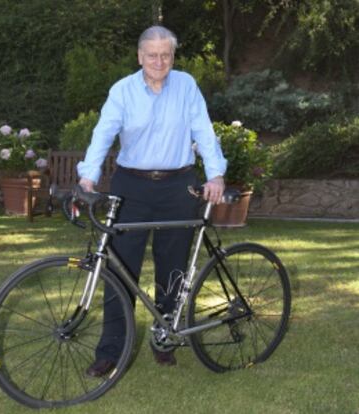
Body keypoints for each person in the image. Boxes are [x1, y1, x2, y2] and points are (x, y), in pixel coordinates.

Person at [77, 25, 227, 377]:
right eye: (151, 55)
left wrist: (215, 173)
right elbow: (103, 133)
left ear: (173, 56)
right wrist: (88, 174)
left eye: (166, 55)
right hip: (132, 186)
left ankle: (164, 338)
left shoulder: (187, 85)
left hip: (179, 186)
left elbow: (203, 130)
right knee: (119, 270)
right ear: (139, 56)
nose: (159, 61)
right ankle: (110, 351)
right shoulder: (123, 91)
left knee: (172, 266)